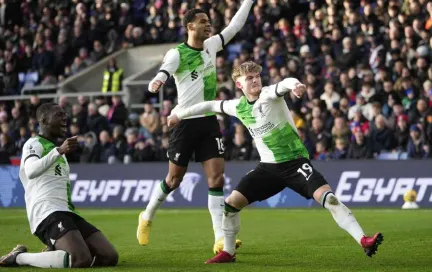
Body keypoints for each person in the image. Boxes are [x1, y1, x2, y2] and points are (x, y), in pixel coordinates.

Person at [168, 61, 383, 264]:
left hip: (295, 163)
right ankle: (228, 252)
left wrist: (295, 85)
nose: (255, 80)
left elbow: (285, 83)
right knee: (231, 204)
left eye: (257, 76)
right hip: (268, 169)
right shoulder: (238, 107)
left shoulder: (269, 95)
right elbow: (210, 105)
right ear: (239, 84)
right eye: (249, 77)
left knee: (330, 199)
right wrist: (179, 114)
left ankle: (363, 240)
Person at [138, 0, 255, 254]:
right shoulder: (177, 53)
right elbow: (163, 73)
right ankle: (146, 216)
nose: (208, 25)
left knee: (216, 178)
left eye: (209, 22)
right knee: (174, 179)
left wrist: (248, 2)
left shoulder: (211, 45)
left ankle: (219, 238)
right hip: (184, 123)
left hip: (209, 120)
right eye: (203, 22)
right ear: (190, 26)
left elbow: (235, 26)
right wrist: (156, 83)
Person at [0, 103, 118, 268]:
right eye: (59, 115)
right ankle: (20, 257)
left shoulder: (60, 152)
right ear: (44, 120)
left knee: (109, 257)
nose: (65, 118)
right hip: (46, 212)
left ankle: (53, 251)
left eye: (65, 115)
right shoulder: (34, 143)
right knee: (80, 259)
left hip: (67, 211)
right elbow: (31, 170)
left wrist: (59, 151)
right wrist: (59, 151)